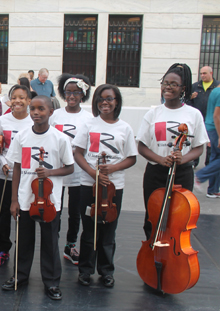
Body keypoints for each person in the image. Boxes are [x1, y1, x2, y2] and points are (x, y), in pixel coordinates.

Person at [1, 95, 74, 300]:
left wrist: (50, 173)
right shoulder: (22, 136)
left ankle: (51, 282)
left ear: (51, 112)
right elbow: (16, 167)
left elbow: (70, 168)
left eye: (41, 109)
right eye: (33, 109)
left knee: (50, 241)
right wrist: (14, 200)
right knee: (23, 240)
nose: (35, 113)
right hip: (26, 197)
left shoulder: (60, 139)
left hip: (50, 200)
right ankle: (19, 276)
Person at [73, 84, 137, 288]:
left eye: (109, 98)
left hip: (113, 186)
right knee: (89, 229)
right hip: (88, 184)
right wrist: (93, 173)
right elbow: (78, 153)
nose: (105, 102)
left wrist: (113, 168)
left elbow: (132, 158)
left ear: (117, 101)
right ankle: (85, 270)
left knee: (109, 229)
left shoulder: (125, 128)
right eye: (101, 99)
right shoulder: (89, 124)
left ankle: (106, 271)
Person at [136, 63, 208, 239]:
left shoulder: (193, 114)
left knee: (179, 218)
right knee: (152, 218)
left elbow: (199, 147)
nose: (167, 87)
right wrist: (160, 159)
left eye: (173, 84)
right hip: (156, 172)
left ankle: (173, 261)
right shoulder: (153, 114)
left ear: (183, 88)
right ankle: (152, 257)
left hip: (182, 173)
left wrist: (183, 158)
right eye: (165, 83)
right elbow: (142, 146)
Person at [49, 74, 92, 266]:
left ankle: (70, 245)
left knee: (75, 211)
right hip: (57, 170)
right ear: (63, 93)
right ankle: (52, 245)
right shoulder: (55, 115)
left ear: (83, 94)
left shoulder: (89, 118)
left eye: (76, 92)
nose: (72, 96)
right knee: (55, 209)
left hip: (77, 172)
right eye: (68, 92)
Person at [0, 84, 33, 266]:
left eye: (22, 97)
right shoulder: (2, 121)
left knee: (24, 214)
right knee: (4, 213)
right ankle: (3, 249)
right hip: (5, 175)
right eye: (14, 97)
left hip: (27, 176)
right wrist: (2, 161)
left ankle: (22, 251)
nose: (17, 101)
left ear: (29, 101)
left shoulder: (34, 121)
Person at [188, 66, 219, 167]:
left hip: (211, 120)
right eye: (201, 73)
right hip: (197, 119)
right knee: (196, 141)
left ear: (211, 73)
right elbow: (187, 102)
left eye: (205, 73)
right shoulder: (195, 86)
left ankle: (208, 164)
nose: (202, 75)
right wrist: (190, 97)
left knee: (210, 144)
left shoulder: (216, 87)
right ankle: (194, 162)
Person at [195, 85, 220, 198]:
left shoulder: (215, 90)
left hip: (211, 128)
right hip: (216, 129)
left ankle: (213, 190)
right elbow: (216, 115)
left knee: (215, 158)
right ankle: (200, 176)